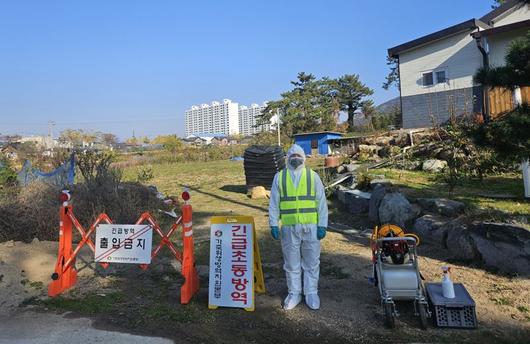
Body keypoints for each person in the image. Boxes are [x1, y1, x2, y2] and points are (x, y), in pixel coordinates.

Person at [269, 144, 328, 310]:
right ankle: (294, 293)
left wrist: (322, 224)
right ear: (287, 158)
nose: (295, 158)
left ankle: (311, 292)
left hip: (311, 226)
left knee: (311, 262)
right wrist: (273, 223)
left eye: (298, 155)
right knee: (291, 263)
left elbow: (321, 202)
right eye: (292, 155)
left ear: (304, 157)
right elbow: (274, 203)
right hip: (289, 227)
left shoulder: (312, 176)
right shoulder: (279, 177)